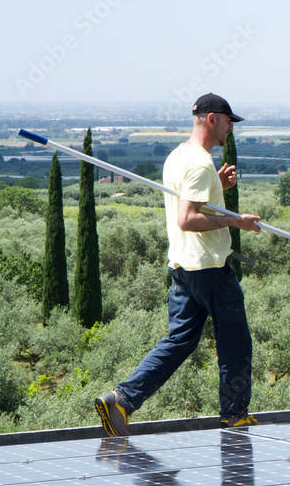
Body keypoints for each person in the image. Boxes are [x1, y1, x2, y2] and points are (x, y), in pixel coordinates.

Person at [95, 93, 262, 437]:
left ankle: (121, 400)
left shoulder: (179, 157)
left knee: (179, 342)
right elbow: (188, 218)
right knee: (236, 343)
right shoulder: (199, 163)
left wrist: (218, 184)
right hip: (210, 268)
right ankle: (234, 415)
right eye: (229, 120)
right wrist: (235, 222)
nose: (232, 127)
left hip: (183, 267)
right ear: (212, 119)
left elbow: (194, 198)